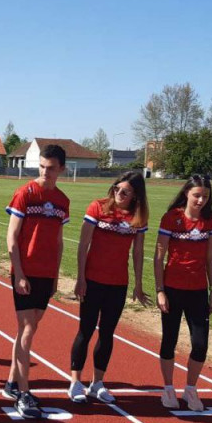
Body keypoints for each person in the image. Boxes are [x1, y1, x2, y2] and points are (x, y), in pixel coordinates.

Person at [69, 171, 151, 404]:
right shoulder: (98, 207)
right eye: (117, 189)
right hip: (93, 281)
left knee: (107, 333)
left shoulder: (138, 216)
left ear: (135, 195)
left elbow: (138, 252)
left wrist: (138, 284)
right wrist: (80, 278)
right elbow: (84, 244)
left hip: (118, 284)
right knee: (85, 330)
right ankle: (75, 382)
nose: (119, 194)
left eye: (125, 191)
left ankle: (97, 383)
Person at [4, 144, 70, 420]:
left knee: (29, 328)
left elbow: (58, 241)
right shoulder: (25, 193)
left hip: (46, 274)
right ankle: (23, 391)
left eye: (51, 168)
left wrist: (55, 276)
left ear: (61, 169)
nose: (45, 172)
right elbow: (12, 237)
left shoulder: (62, 201)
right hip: (25, 271)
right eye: (42, 166)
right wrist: (19, 273)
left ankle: (11, 382)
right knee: (28, 328)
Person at [153, 174, 212, 412]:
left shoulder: (209, 220)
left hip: (198, 291)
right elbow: (159, 257)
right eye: (196, 195)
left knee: (200, 344)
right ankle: (168, 388)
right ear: (186, 194)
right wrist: (160, 291)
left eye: (205, 196)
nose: (201, 200)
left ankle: (190, 389)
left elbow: (210, 257)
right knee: (169, 340)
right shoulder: (172, 218)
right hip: (172, 289)